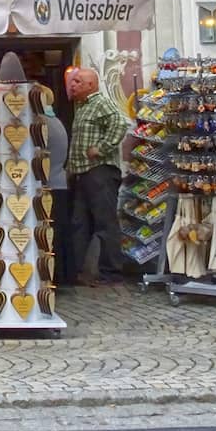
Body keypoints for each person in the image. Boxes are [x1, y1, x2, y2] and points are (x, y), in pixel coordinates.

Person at [65, 67, 130, 285]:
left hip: (100, 171)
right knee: (79, 223)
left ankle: (111, 272)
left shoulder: (100, 102)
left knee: (105, 223)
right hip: (83, 173)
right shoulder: (82, 106)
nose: (73, 85)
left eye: (78, 81)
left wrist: (101, 148)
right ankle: (76, 270)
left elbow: (120, 123)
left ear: (91, 85)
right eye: (73, 81)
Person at [40, 84, 75, 286]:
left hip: (49, 184)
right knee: (59, 232)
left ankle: (55, 276)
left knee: (51, 234)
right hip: (58, 182)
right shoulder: (55, 121)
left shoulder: (42, 123)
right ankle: (64, 274)